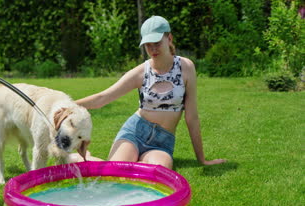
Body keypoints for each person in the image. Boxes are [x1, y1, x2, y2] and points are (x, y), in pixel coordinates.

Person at [70, 16, 226, 169]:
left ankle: (94, 161)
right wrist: (65, 104)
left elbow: (191, 117)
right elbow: (102, 98)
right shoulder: (141, 73)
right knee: (116, 172)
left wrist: (202, 160)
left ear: (169, 38)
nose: (152, 49)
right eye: (148, 45)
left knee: (155, 173)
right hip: (134, 134)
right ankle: (84, 159)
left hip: (162, 143)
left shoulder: (186, 67)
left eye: (157, 43)